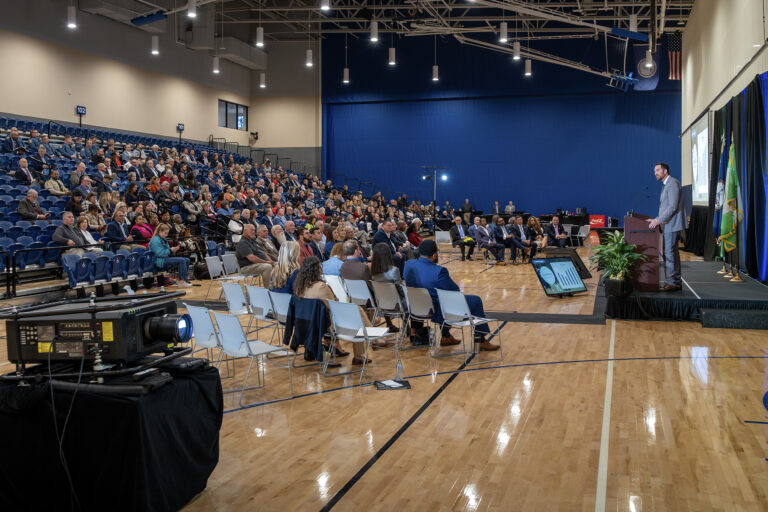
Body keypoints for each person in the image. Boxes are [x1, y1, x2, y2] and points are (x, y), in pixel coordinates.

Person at [403, 240, 499, 351]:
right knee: (475, 300)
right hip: (436, 310)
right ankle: (481, 340)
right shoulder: (439, 271)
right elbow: (454, 292)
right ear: (434, 255)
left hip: (415, 307)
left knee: (439, 299)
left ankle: (446, 336)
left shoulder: (409, 264)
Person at [293, 256, 370, 364]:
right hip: (326, 325)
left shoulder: (298, 287)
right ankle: (363, 349)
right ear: (317, 269)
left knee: (355, 312)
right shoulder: (321, 287)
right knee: (356, 311)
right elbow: (334, 305)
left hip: (306, 323)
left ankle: (369, 337)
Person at [647, 162, 687, 291]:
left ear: (665, 171)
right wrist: (656, 219)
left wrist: (658, 220)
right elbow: (666, 207)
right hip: (668, 224)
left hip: (672, 224)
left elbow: (672, 207)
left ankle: (673, 283)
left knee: (670, 254)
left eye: (657, 170)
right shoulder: (666, 185)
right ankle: (675, 282)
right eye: (654, 171)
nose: (655, 173)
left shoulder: (673, 183)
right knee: (671, 254)